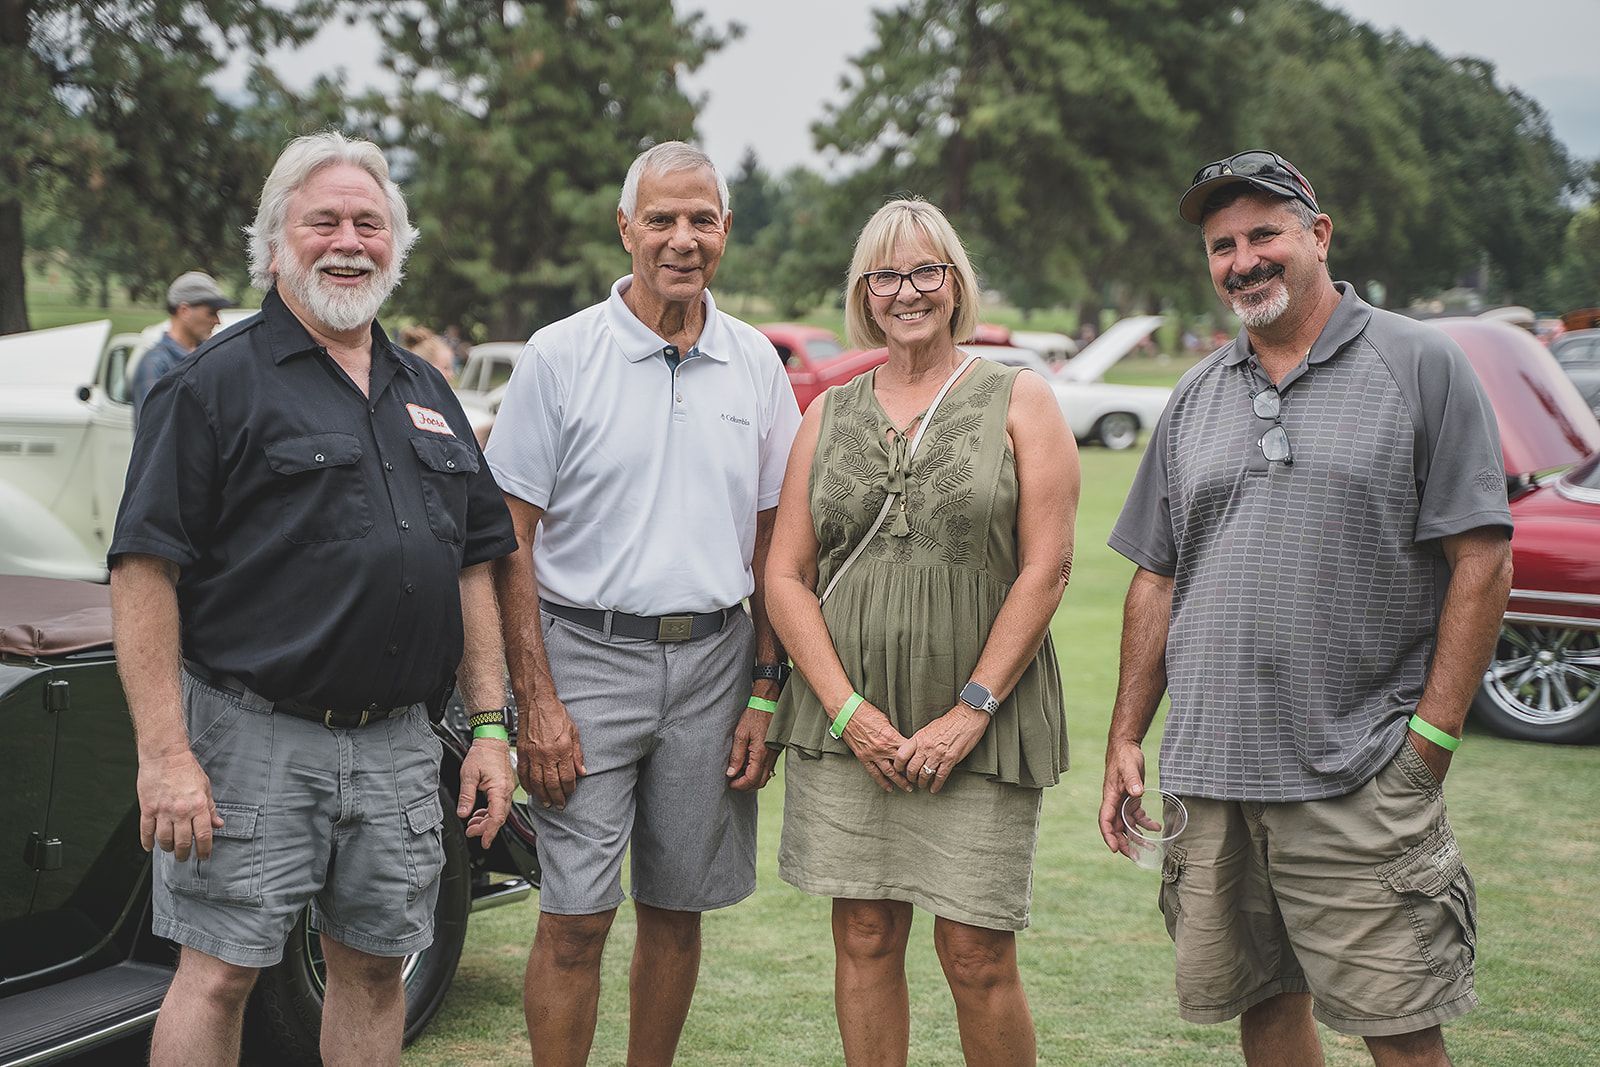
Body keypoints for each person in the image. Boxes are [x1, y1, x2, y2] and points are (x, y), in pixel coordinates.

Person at [108, 131, 519, 1067]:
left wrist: (490, 725)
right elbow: (143, 569)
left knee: (375, 969)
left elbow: (475, 559)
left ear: (396, 245)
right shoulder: (213, 382)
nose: (348, 240)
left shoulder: (427, 389)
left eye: (369, 223)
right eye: (323, 220)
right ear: (274, 243)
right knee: (217, 974)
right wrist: (166, 754)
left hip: (397, 745)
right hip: (252, 736)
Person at [1100, 149, 1513, 1066]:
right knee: (1263, 1006)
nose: (1242, 260)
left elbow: (1482, 559)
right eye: (1221, 245)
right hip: (1211, 775)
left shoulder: (1419, 363)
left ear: (1318, 235)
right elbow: (1156, 577)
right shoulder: (1196, 394)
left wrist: (1432, 741)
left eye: (1263, 235)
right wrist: (1128, 735)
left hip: (1358, 771)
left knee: (1400, 1025)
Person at [485, 140, 801, 1066]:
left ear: (727, 230)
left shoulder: (755, 363)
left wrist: (765, 686)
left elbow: (777, 542)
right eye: (661, 218)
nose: (682, 238)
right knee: (575, 918)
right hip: (583, 660)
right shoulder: (560, 355)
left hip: (716, 663)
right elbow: (511, 536)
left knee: (677, 909)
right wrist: (534, 697)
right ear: (625, 227)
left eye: (702, 218)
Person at [764, 198, 1079, 1065]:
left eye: (925, 271)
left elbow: (1046, 568)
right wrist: (846, 711)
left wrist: (971, 708)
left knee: (976, 953)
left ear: (955, 283)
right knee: (864, 934)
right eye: (886, 275)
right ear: (865, 293)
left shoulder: (1020, 396)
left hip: (981, 716)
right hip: (851, 722)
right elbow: (785, 577)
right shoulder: (827, 413)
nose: (907, 291)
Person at [129, 270, 234, 421]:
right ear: (184, 311)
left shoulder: (211, 355)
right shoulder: (156, 363)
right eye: (211, 313)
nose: (218, 321)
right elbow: (154, 429)